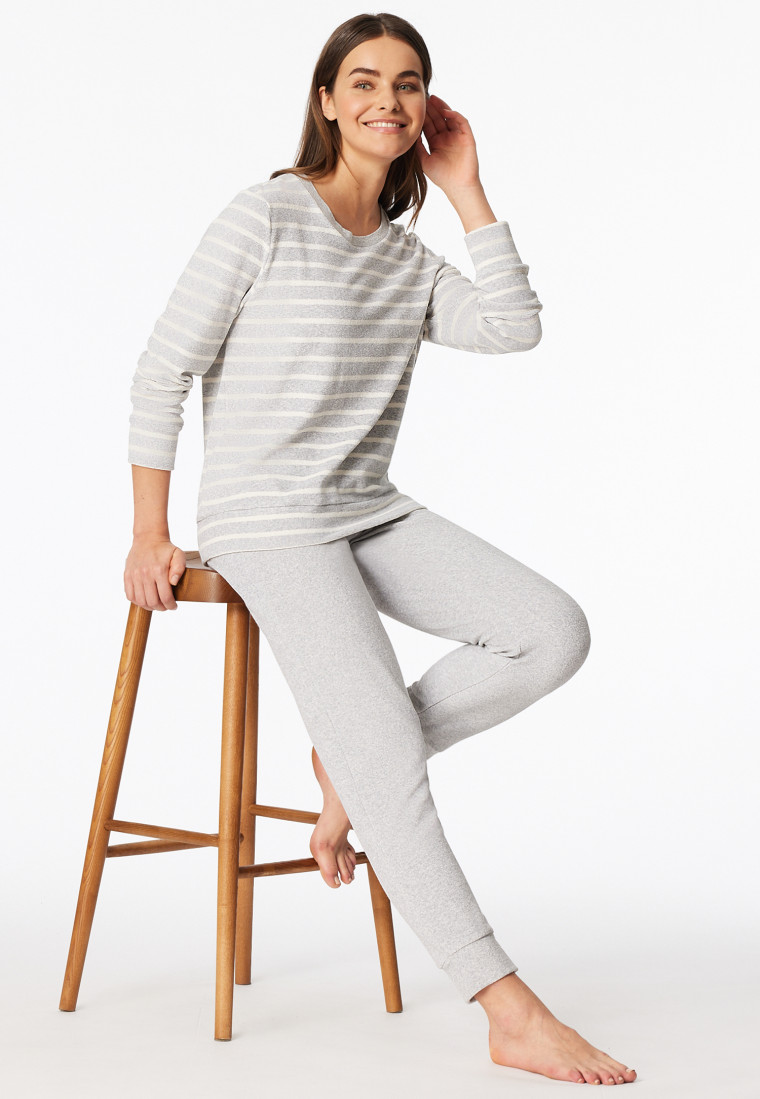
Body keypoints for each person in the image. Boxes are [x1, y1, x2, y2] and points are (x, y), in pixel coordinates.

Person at [124, 11, 637, 1087]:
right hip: (267, 519)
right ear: (325, 100)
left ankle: (354, 759)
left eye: (407, 83)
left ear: (424, 107)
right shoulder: (264, 215)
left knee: (551, 630)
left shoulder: (406, 259)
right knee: (390, 762)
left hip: (364, 506)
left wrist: (467, 192)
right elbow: (162, 370)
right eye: (362, 81)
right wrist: (149, 531)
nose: (385, 100)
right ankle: (507, 1008)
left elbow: (513, 327)